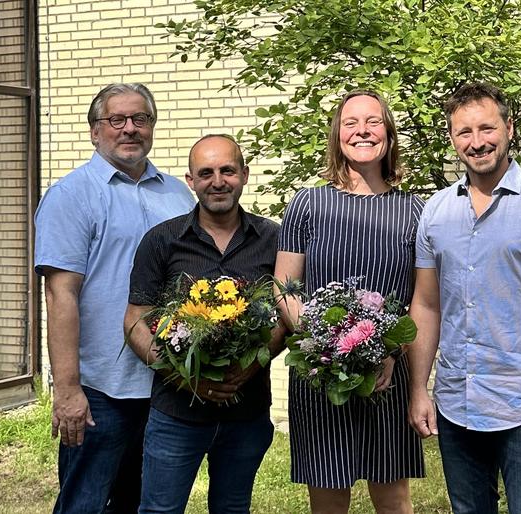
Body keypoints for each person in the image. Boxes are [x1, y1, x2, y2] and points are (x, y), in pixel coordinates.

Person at [407, 82, 521, 513]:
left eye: (487, 128)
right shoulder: (435, 211)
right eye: (464, 132)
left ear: (509, 128)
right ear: (452, 139)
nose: (477, 142)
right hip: (456, 401)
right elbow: (426, 305)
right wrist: (419, 389)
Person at [34, 83, 195, 513]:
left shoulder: (178, 195)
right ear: (94, 131)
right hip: (101, 387)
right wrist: (67, 390)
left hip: (167, 381)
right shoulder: (71, 196)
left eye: (139, 119)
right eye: (116, 120)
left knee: (145, 503)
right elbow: (60, 294)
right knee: (83, 503)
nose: (129, 129)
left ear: (152, 127)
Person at [274, 90, 425, 514]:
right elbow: (284, 286)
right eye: (351, 122)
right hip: (320, 375)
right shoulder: (308, 204)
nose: (362, 131)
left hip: (388, 374)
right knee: (328, 500)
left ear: (389, 134)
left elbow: (422, 300)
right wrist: (326, 347)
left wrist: (389, 352)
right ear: (337, 135)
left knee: (394, 501)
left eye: (373, 122)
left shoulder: (415, 210)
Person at [123, 134, 284, 513]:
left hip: (246, 412)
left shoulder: (275, 239)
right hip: (176, 413)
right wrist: (183, 375)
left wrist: (248, 367)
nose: (218, 181)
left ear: (244, 175)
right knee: (160, 510)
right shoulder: (162, 240)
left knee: (232, 508)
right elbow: (134, 320)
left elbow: (285, 317)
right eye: (206, 173)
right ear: (190, 180)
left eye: (227, 170)